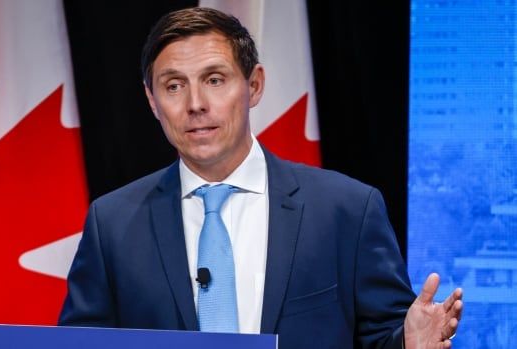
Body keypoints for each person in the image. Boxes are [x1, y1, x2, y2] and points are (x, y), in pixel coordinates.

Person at [59, 7, 462, 349]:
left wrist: (408, 343)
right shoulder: (112, 223)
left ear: (254, 85)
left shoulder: (346, 210)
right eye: (174, 86)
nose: (196, 104)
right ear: (152, 101)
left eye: (215, 80)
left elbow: (380, 336)